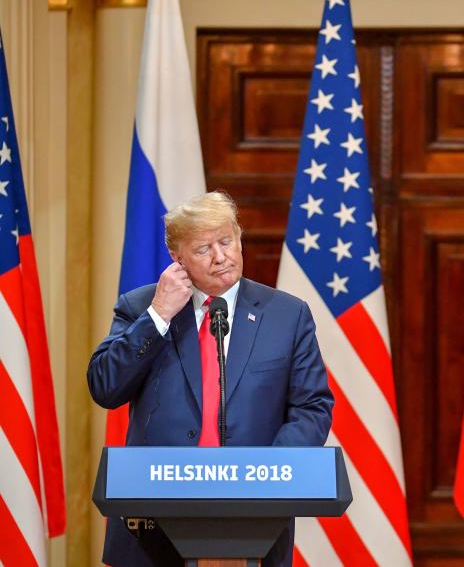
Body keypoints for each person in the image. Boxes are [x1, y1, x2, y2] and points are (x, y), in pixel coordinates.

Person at [88, 191, 333, 567]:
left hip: (255, 525)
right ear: (177, 257)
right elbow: (105, 387)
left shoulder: (287, 315)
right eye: (203, 249)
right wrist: (157, 317)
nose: (221, 256)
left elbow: (312, 407)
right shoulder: (142, 307)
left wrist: (268, 477)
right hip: (151, 527)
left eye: (226, 241)